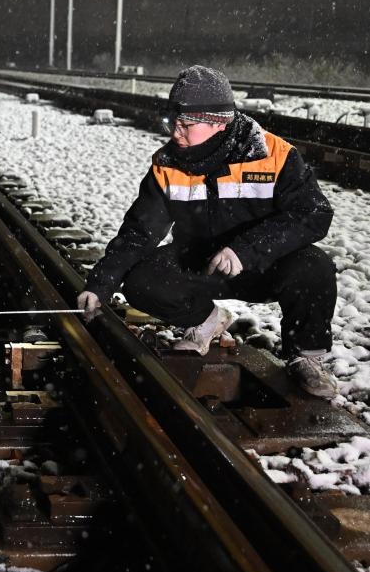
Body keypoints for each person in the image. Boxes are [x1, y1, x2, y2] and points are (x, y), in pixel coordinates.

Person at [76, 65, 338, 397]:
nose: (175, 133)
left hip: (266, 265)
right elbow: (140, 233)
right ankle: (205, 322)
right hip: (202, 261)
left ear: (219, 122)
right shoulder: (167, 165)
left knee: (315, 267)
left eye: (185, 124)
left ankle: (305, 357)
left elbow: (315, 213)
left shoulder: (274, 155)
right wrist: (100, 284)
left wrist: (247, 249)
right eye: (173, 123)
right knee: (143, 281)